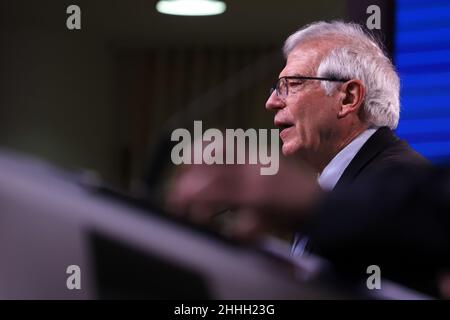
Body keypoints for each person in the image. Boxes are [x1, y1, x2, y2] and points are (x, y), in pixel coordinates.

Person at [166, 21, 443, 295]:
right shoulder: (348, 184)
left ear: (348, 98)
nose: (272, 101)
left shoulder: (392, 188)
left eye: (291, 84)